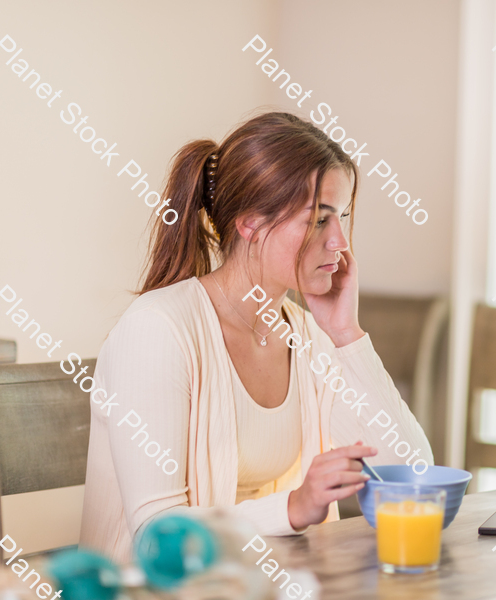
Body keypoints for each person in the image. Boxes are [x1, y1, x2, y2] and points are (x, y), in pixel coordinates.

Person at [79, 112, 432, 563]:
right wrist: (293, 507)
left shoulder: (306, 334)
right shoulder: (157, 330)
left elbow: (412, 477)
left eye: (342, 217)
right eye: (319, 219)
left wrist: (346, 333)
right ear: (249, 223)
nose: (341, 240)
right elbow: (156, 534)